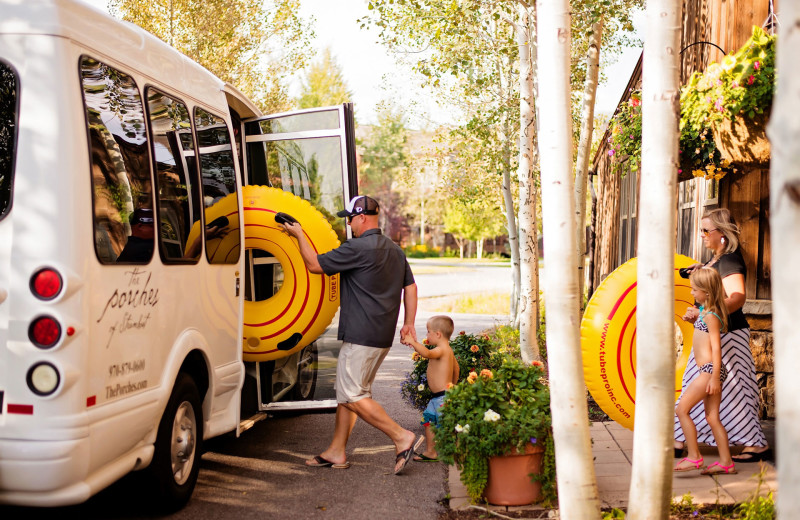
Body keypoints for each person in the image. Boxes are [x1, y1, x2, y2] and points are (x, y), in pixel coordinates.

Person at [282, 194, 423, 475]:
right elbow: (411, 287)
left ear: (362, 217)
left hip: (360, 337)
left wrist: (297, 234)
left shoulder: (356, 248)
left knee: (352, 396)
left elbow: (314, 265)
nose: (348, 224)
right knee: (349, 394)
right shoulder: (394, 250)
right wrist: (408, 323)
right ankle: (336, 451)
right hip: (380, 338)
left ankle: (401, 437)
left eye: (350, 218)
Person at [674, 208, 770, 462]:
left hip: (727, 335)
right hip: (715, 330)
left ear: (723, 235)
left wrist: (708, 313)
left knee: (734, 388)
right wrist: (702, 271)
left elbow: (737, 297)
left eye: (707, 230)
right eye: (701, 229)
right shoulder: (717, 260)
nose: (702, 235)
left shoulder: (729, 261)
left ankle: (754, 444)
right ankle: (682, 439)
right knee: (707, 386)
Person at [674, 268, 736, 475]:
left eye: (694, 290)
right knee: (712, 418)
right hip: (711, 371)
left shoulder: (711, 316)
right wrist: (694, 321)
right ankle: (726, 463)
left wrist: (715, 378)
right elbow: (703, 335)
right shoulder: (707, 313)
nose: (692, 293)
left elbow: (717, 348)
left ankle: (694, 456)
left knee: (682, 410)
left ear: (706, 293)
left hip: (710, 371)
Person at [401, 315, 459, 462]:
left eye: (428, 332)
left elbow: (426, 353)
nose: (427, 335)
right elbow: (456, 368)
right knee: (429, 422)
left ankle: (454, 452)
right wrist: (453, 385)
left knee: (444, 424)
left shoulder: (441, 349)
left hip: (442, 396)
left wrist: (413, 342)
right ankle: (430, 452)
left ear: (438, 334)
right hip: (438, 396)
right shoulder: (447, 350)